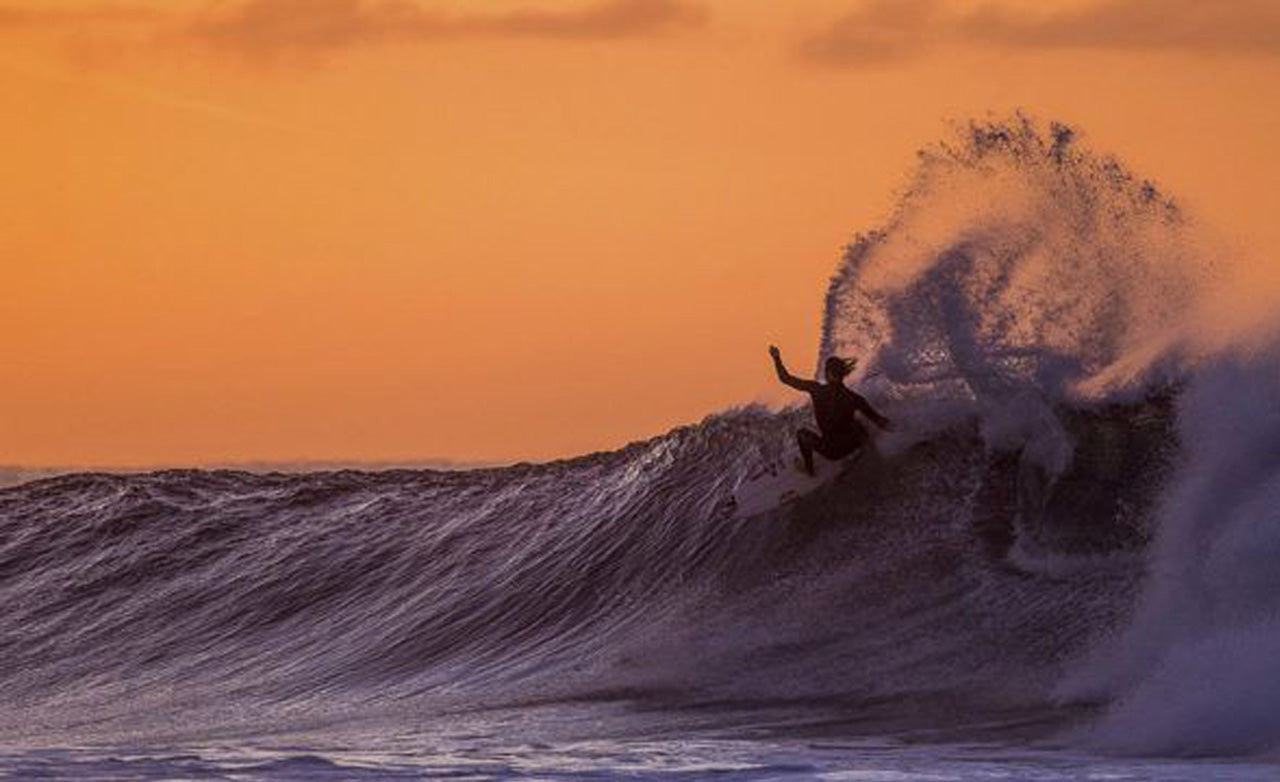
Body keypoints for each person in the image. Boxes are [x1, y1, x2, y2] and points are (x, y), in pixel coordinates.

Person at [769, 345, 891, 476]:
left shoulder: (816, 389)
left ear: (829, 374)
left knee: (801, 434)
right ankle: (865, 448)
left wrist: (776, 358)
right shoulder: (854, 398)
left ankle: (809, 470)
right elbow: (879, 421)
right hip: (854, 444)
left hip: (833, 452)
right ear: (842, 374)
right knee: (857, 421)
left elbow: (785, 378)